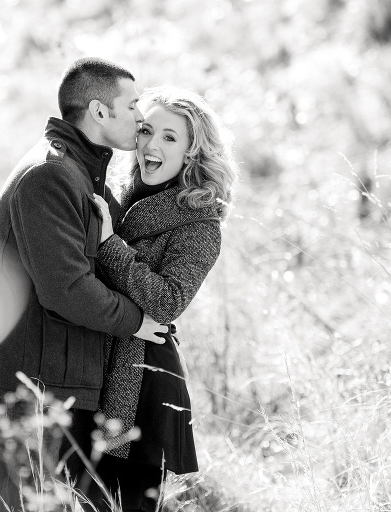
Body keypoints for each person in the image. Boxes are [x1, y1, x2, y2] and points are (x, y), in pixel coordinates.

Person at [0, 58, 169, 512]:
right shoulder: (51, 174)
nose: (141, 117)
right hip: (24, 396)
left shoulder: (82, 173)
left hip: (55, 391)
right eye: (132, 105)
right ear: (99, 111)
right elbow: (66, 289)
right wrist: (136, 322)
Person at [88, 86, 239, 512]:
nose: (151, 145)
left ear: (193, 152)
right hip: (95, 368)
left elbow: (168, 300)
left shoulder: (200, 223)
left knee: (126, 502)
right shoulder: (126, 197)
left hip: (138, 382)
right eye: (146, 131)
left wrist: (109, 243)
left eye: (170, 137)